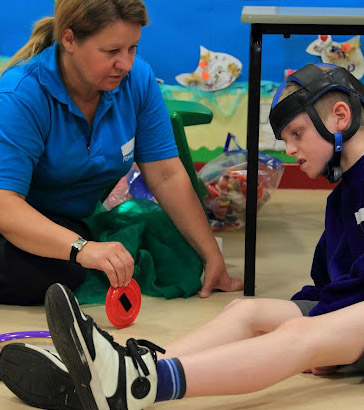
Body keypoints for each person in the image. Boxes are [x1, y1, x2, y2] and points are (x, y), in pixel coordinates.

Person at [2, 62, 364, 409]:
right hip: (351, 315)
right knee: (245, 310)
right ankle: (130, 366)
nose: (289, 150)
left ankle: (141, 384)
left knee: (299, 336)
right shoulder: (342, 198)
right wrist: (326, 322)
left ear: (340, 117)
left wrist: (325, 330)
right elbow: (330, 283)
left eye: (296, 135)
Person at [0, 0, 243, 306]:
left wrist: (212, 256)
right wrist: (82, 249)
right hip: (12, 216)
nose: (126, 64)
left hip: (61, 218)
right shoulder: (20, 95)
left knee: (177, 254)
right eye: (112, 52)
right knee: (52, 274)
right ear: (70, 39)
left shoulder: (137, 80)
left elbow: (166, 174)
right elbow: (5, 206)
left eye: (133, 49)